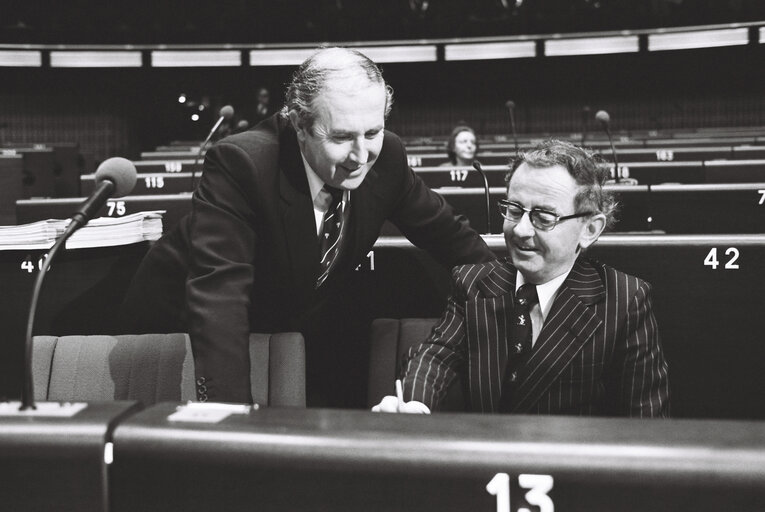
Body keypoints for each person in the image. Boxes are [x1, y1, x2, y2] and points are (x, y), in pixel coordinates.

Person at [119, 47, 494, 407]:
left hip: (281, 323)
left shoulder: (388, 157)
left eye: (373, 132)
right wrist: (228, 418)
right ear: (299, 124)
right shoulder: (242, 164)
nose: (360, 157)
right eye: (342, 137)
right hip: (175, 331)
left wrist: (524, 297)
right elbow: (220, 298)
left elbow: (451, 237)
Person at [374, 140, 670, 417]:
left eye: (544, 217)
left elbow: (645, 419)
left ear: (589, 229)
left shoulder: (624, 300)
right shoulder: (473, 283)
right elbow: (434, 357)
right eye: (514, 210)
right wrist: (412, 404)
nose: (520, 230)